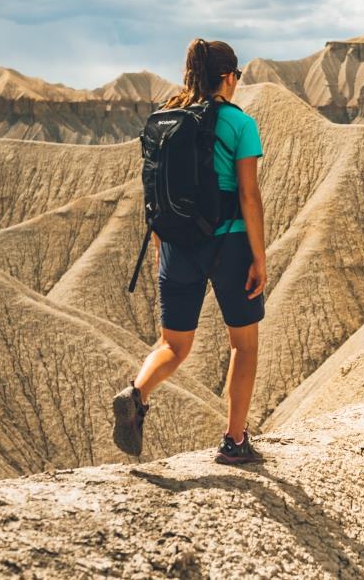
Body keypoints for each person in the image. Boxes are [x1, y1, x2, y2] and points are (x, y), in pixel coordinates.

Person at [113, 39, 267, 465]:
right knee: (243, 345)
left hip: (175, 242)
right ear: (229, 77)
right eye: (236, 76)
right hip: (229, 242)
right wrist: (259, 257)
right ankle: (234, 441)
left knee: (173, 344)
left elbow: (155, 189)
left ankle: (137, 394)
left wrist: (163, 246)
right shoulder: (239, 124)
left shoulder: (166, 119)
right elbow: (249, 195)